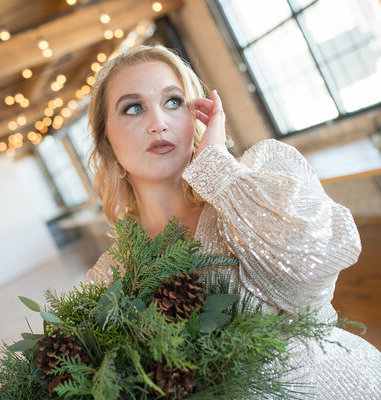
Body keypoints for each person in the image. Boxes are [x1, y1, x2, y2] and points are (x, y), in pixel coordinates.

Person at [84, 44, 381, 399]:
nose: (158, 123)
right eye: (133, 109)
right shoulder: (109, 278)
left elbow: (319, 263)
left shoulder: (261, 182)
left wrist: (217, 167)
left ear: (198, 115)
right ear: (107, 142)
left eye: (173, 102)